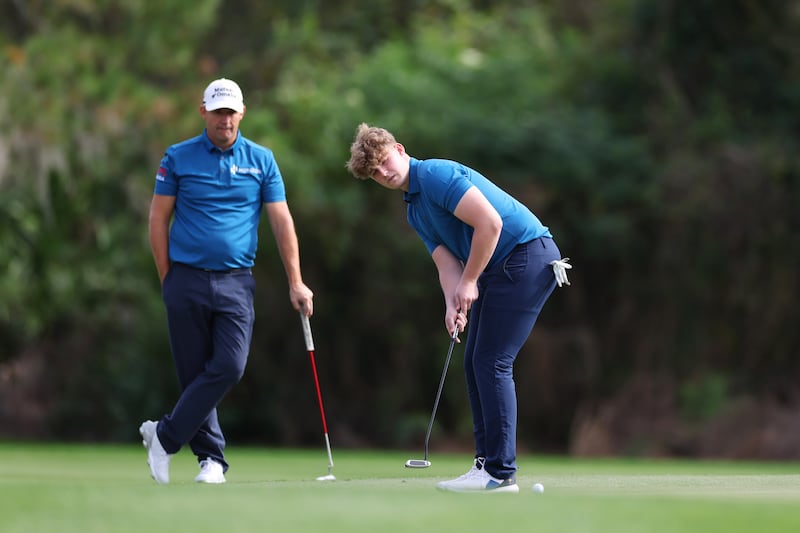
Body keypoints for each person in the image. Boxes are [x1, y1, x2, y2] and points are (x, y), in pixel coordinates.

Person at [346, 123, 570, 493]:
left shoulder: (434, 174)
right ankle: (486, 465)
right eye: (375, 172)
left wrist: (469, 283)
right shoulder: (414, 210)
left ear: (399, 149)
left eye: (384, 161)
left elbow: (490, 225)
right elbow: (447, 265)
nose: (384, 173)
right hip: (501, 267)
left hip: (526, 255)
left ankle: (500, 473)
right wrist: (454, 303)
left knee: (492, 361)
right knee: (474, 362)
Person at [141, 78, 314, 484]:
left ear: (242, 113)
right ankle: (211, 461)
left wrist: (296, 281)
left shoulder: (262, 160)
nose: (225, 119)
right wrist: (168, 277)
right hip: (185, 278)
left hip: (236, 281)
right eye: (217, 111)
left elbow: (281, 220)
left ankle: (163, 438)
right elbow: (157, 218)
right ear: (204, 112)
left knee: (229, 366)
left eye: (231, 111)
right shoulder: (177, 157)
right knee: (193, 372)